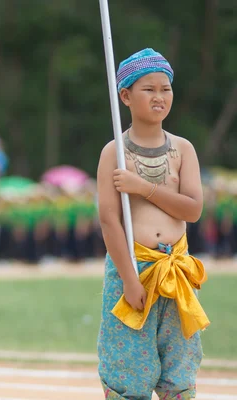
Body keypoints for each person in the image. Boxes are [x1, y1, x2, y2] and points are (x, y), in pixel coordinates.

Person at [96, 48, 210, 399]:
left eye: (166, 89)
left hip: (175, 270)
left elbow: (192, 210)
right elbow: (110, 222)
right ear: (126, 96)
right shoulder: (113, 153)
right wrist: (130, 280)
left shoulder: (183, 149)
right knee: (129, 362)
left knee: (179, 361)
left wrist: (142, 187)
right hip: (134, 269)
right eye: (149, 90)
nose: (160, 97)